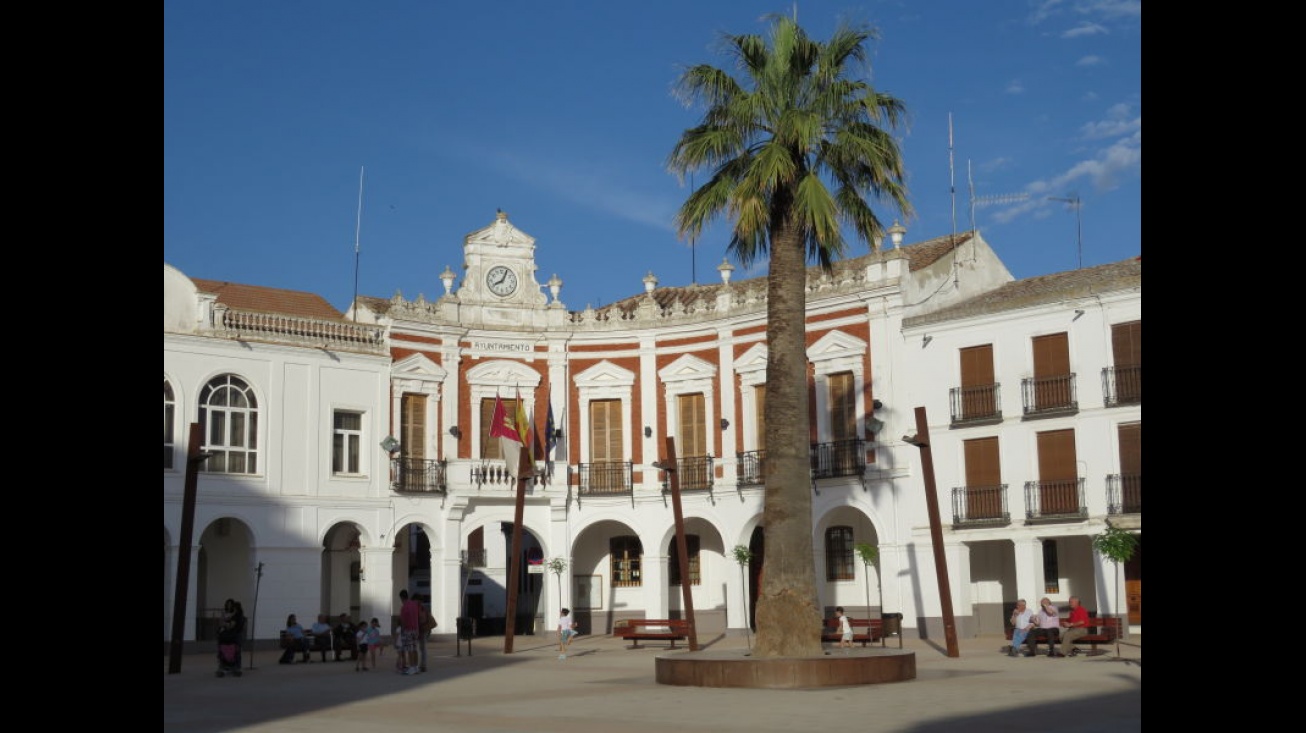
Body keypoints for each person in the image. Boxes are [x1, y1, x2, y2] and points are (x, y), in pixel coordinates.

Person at [216, 598, 246, 675]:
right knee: (234, 651)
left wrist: (225, 624)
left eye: (232, 606)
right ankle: (233, 666)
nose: (231, 607)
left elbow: (230, 625)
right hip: (232, 636)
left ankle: (233, 666)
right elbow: (222, 622)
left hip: (234, 636)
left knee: (235, 651)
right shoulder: (239, 616)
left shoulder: (236, 616)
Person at [398, 589, 422, 675]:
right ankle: (416, 667)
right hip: (415, 630)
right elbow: (417, 617)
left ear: (401, 597)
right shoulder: (415, 605)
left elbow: (403, 620)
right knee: (415, 649)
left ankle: (411, 667)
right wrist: (417, 629)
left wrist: (402, 631)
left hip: (408, 630)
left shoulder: (404, 607)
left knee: (410, 649)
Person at [417, 594, 437, 672]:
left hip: (422, 630)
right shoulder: (423, 608)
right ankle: (422, 665)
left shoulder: (421, 609)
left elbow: (422, 619)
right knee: (422, 648)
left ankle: (423, 665)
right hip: (424, 630)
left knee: (422, 648)